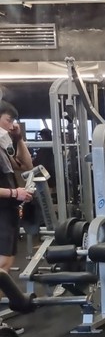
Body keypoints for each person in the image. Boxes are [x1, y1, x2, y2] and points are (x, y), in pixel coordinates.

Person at [0, 101, 34, 273]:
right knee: (2, 263)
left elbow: (26, 165)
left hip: (8, 212)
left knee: (6, 263)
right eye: (8, 120)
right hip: (2, 211)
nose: (11, 126)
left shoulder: (2, 148)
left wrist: (18, 139)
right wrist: (14, 193)